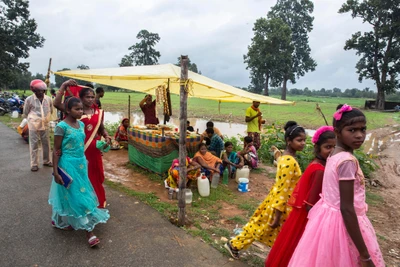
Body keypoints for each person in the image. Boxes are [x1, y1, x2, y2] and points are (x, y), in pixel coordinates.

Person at [289, 105, 384, 267]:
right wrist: (365, 255)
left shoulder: (335, 153)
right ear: (337, 132)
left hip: (327, 220)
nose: (360, 135)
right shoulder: (347, 161)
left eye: (363, 129)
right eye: (352, 130)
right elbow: (346, 208)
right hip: (342, 224)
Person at [225, 121, 306, 260]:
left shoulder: (286, 157)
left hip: (278, 202)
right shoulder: (288, 161)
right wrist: (277, 214)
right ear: (288, 141)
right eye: (299, 140)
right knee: (260, 228)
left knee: (260, 228)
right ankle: (234, 245)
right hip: (279, 204)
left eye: (304, 140)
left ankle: (236, 245)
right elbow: (282, 189)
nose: (303, 143)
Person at [265, 126, 336, 267]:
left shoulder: (317, 164)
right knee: (296, 249)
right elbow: (310, 204)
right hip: (306, 217)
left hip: (300, 213)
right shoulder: (319, 170)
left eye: (335, 147)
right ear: (317, 148)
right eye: (328, 147)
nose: (332, 151)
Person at [49, 97, 109, 247]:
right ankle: (89, 232)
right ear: (68, 110)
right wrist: (55, 171)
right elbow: (56, 150)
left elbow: (83, 143)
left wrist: (103, 141)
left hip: (81, 164)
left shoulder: (81, 124)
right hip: (67, 165)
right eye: (77, 109)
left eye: (81, 109)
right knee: (78, 196)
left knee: (69, 194)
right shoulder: (61, 127)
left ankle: (62, 220)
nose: (80, 111)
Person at [54, 80, 111, 208]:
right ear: (80, 98)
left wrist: (107, 135)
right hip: (78, 153)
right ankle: (80, 205)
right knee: (80, 179)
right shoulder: (75, 112)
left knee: (96, 176)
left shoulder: (97, 112)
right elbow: (56, 103)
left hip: (94, 152)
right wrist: (63, 86)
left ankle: (96, 202)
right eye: (87, 97)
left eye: (92, 97)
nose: (91, 100)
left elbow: (101, 128)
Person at [23, 79, 53, 171]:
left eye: (42, 90)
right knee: (34, 144)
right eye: (38, 90)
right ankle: (34, 164)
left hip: (45, 124)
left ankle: (47, 161)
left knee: (46, 143)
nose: (41, 92)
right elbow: (26, 112)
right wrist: (33, 119)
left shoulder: (48, 99)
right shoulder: (29, 100)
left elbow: (51, 110)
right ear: (34, 90)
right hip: (33, 125)